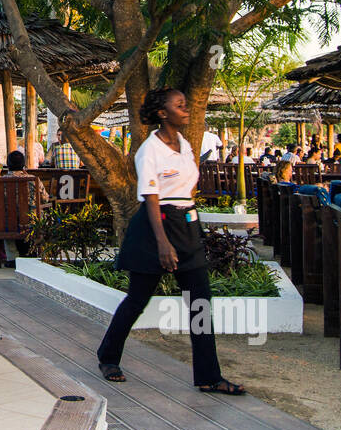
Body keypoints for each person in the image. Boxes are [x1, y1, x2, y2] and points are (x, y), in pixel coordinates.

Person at [96, 89, 244, 395]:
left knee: (200, 304)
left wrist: (188, 226)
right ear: (163, 113)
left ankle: (209, 376)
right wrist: (164, 243)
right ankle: (108, 357)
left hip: (186, 225)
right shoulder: (149, 150)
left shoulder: (184, 144)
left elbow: (187, 188)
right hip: (156, 228)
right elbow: (151, 199)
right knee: (137, 299)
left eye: (185, 104)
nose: (186, 109)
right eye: (180, 106)